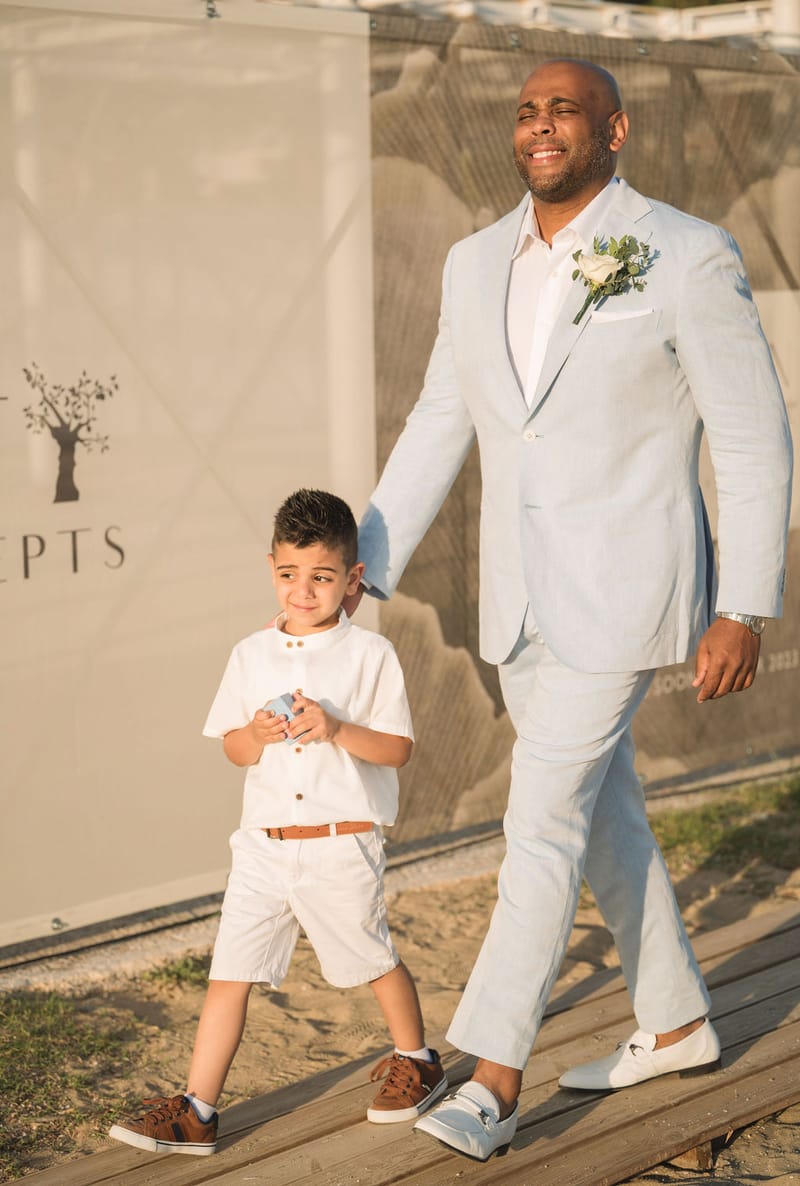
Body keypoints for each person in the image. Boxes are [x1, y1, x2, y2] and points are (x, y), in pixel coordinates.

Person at [354, 59, 793, 1161]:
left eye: (562, 109)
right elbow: (435, 423)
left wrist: (742, 601)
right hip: (517, 600)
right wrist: (363, 565)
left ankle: (492, 1077)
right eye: (523, 110)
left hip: (628, 590)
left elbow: (748, 438)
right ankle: (677, 1017)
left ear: (613, 128)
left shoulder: (686, 253)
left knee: (537, 820)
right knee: (606, 817)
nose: (537, 124)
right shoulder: (467, 263)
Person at [109, 488, 446, 1157]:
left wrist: (337, 727)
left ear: (351, 579)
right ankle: (198, 1111)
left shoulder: (370, 655)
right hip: (261, 849)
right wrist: (256, 732)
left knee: (373, 958)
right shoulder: (250, 653)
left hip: (340, 844)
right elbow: (234, 751)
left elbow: (399, 751)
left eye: (322, 577)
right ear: (272, 568)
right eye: (290, 575)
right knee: (230, 973)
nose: (303, 590)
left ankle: (420, 1062)